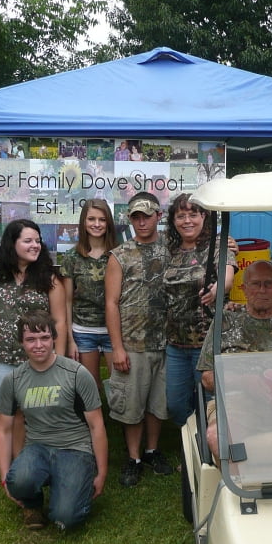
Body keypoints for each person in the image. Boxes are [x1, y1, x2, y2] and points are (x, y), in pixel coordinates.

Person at [0, 310, 109, 531]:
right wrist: (5, 478)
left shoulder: (77, 373)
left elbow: (97, 426)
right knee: (18, 481)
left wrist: (102, 473)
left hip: (75, 448)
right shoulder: (14, 379)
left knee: (65, 519)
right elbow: (4, 430)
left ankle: (71, 488)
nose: (38, 345)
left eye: (44, 337)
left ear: (54, 338)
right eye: (31, 339)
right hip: (38, 447)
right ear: (22, 343)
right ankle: (33, 503)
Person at [196, 260, 272, 460]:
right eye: (255, 284)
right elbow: (207, 378)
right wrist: (244, 382)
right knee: (217, 437)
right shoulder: (225, 322)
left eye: (269, 284)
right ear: (244, 289)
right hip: (237, 401)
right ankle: (241, 488)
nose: (262, 290)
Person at [104, 192, 172, 486]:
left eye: (147, 215)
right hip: (133, 343)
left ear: (159, 215)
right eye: (136, 217)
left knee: (158, 403)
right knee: (131, 405)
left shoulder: (172, 248)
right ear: (130, 219)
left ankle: (152, 449)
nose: (141, 222)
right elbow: (111, 302)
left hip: (168, 341)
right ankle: (133, 458)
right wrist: (117, 347)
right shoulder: (120, 255)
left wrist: (229, 246)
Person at [0, 219, 68, 456]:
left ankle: (35, 457)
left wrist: (58, 359)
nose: (35, 245)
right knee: (9, 412)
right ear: (13, 244)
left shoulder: (49, 279)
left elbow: (59, 321)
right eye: (28, 241)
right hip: (2, 356)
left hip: (38, 358)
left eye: (38, 241)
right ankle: (15, 464)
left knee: (33, 411)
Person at [163, 192, 236, 426]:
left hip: (208, 344)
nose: (187, 221)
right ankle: (189, 444)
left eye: (193, 214)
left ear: (204, 216)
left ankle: (207, 450)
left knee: (210, 403)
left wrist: (217, 289)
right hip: (176, 345)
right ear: (173, 221)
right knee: (175, 404)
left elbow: (227, 274)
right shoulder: (168, 250)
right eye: (181, 215)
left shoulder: (217, 245)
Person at [60, 198, 117, 395]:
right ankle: (94, 425)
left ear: (108, 222)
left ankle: (122, 422)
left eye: (102, 219)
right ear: (83, 222)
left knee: (118, 385)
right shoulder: (72, 257)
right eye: (91, 219)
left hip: (113, 330)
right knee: (90, 387)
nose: (96, 224)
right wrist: (70, 339)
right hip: (84, 331)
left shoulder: (119, 254)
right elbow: (67, 302)